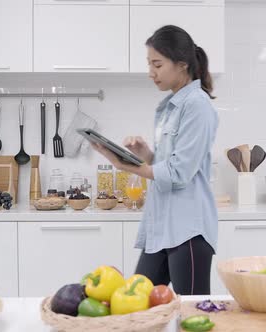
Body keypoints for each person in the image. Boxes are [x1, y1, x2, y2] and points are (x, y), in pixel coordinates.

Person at [92, 25, 219, 295]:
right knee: (137, 305)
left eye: (157, 64)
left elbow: (179, 173)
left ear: (182, 64)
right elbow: (167, 162)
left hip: (189, 230)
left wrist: (129, 166)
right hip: (161, 226)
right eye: (149, 63)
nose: (151, 72)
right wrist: (145, 156)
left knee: (192, 316)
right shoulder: (168, 107)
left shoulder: (197, 104)